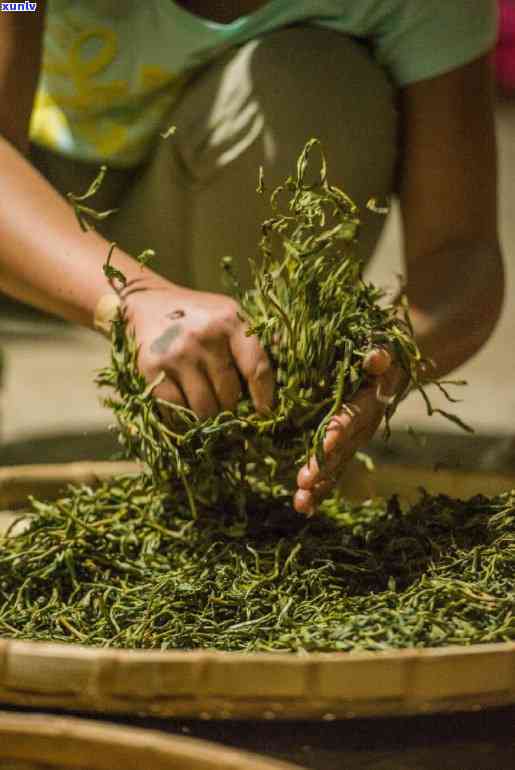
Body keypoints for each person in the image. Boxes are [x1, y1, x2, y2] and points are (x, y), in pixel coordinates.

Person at [0, 1, 504, 514]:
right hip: (36, 210)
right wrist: (131, 299)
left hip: (201, 218)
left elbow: (460, 248)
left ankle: (241, 408)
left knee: (315, 79)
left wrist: (390, 354)